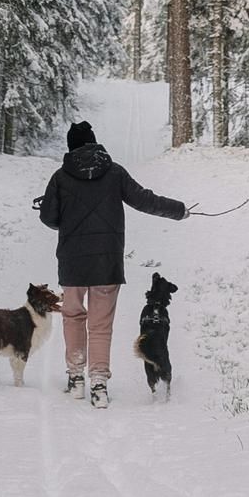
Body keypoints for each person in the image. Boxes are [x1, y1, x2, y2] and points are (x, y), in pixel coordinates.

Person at [37, 121, 188, 408]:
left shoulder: (61, 177)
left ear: (71, 147)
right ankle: (99, 384)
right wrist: (179, 210)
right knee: (101, 324)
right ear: (94, 142)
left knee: (73, 317)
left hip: (72, 261)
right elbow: (145, 200)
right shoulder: (115, 172)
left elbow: (48, 217)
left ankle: (76, 378)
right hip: (107, 261)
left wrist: (67, 221)